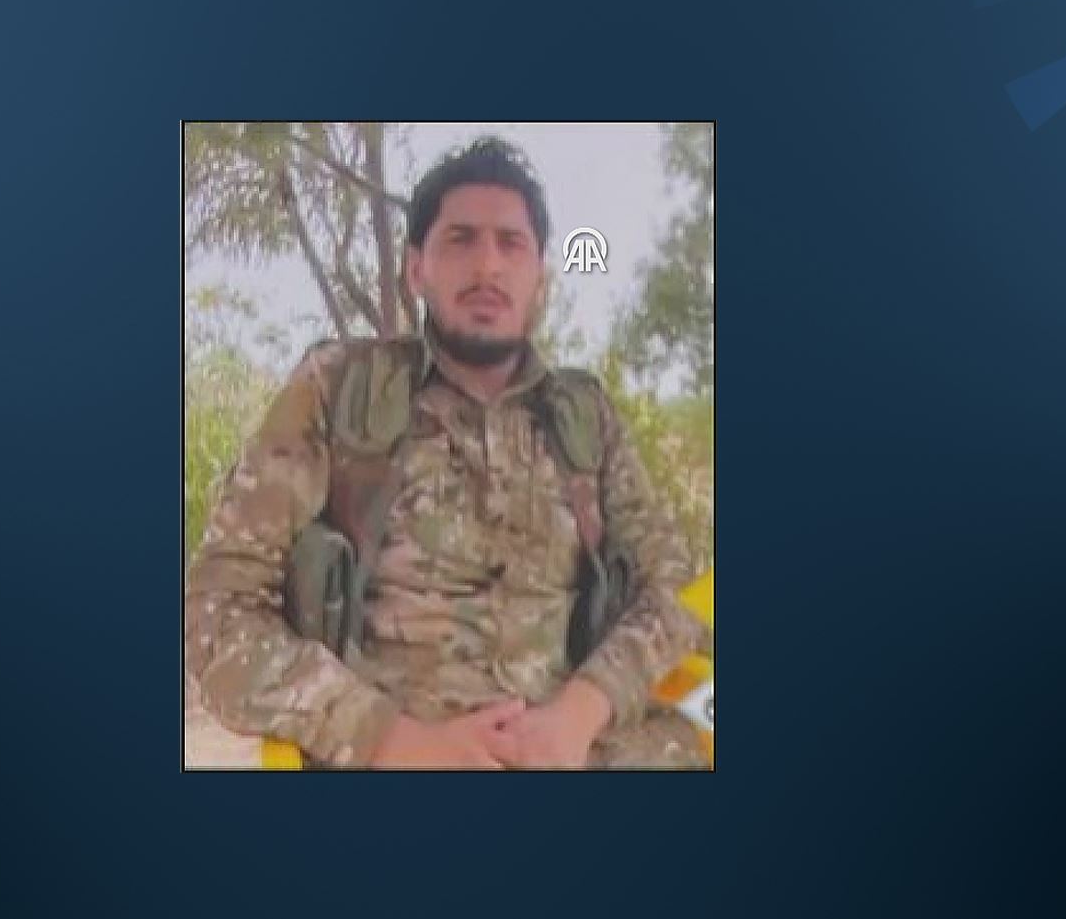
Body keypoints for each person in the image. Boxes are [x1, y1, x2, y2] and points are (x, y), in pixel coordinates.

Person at [185, 136, 711, 768]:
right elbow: (216, 613)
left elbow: (675, 592)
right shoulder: (339, 390)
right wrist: (393, 739)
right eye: (461, 240)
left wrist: (581, 711)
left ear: (540, 277)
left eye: (510, 244)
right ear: (417, 270)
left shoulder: (584, 417)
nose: (488, 267)